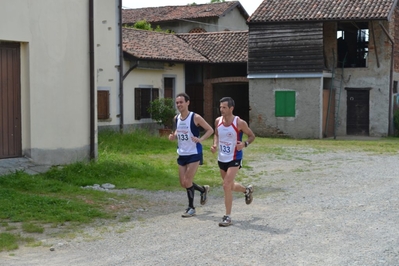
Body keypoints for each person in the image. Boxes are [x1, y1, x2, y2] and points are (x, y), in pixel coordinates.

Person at [210, 96, 256, 227]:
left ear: (231, 108)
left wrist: (244, 144)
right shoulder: (218, 121)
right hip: (222, 157)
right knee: (229, 186)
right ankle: (246, 190)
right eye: (220, 107)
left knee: (226, 185)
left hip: (235, 157)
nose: (221, 110)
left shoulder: (239, 123)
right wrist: (214, 145)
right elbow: (217, 134)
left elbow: (252, 136)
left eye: (224, 107)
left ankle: (227, 216)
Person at [169, 92, 214, 217]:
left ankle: (191, 208)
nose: (179, 105)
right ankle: (203, 189)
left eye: (181, 102)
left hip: (194, 153)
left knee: (188, 180)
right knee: (183, 183)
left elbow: (210, 129)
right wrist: (174, 136)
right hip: (182, 153)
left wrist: (201, 139)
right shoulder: (176, 118)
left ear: (187, 103)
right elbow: (178, 129)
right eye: (177, 103)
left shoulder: (195, 117)